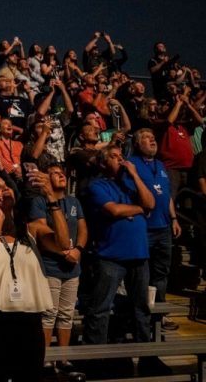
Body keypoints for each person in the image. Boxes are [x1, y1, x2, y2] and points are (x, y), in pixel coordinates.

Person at [0, 170, 63, 382]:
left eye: (6, 184)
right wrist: (0, 217)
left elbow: (63, 243)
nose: (4, 188)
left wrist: (51, 198)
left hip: (28, 321)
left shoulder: (32, 230)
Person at [83, 145, 155, 346]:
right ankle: (95, 357)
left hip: (139, 255)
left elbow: (151, 203)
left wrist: (135, 175)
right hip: (110, 257)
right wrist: (140, 209)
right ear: (104, 162)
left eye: (121, 156)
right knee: (101, 308)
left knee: (142, 308)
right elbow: (113, 210)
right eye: (114, 157)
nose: (120, 160)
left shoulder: (131, 185)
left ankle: (146, 354)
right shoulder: (97, 186)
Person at [28, 164, 87, 372]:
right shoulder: (39, 201)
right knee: (49, 314)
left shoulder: (73, 201)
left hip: (72, 268)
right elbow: (41, 233)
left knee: (66, 313)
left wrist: (78, 249)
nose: (61, 175)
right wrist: (64, 252)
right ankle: (46, 358)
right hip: (51, 266)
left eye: (62, 172)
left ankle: (62, 358)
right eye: (55, 173)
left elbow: (82, 228)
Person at [129, 128, 181, 330]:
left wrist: (174, 218)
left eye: (153, 137)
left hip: (164, 227)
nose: (152, 140)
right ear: (137, 143)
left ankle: (160, 313)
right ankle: (142, 314)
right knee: (142, 273)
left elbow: (166, 194)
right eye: (147, 138)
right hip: (144, 229)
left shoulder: (160, 165)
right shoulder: (132, 164)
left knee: (162, 273)